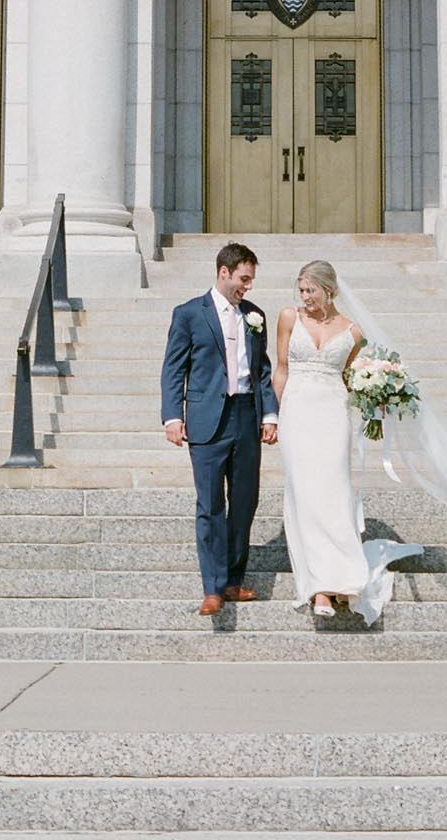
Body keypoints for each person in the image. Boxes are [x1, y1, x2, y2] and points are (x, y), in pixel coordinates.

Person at [274, 258, 418, 623]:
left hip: (333, 414)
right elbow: (282, 368)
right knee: (305, 493)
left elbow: (351, 376)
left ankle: (340, 576)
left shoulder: (353, 332)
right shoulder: (289, 317)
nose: (305, 297)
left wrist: (378, 390)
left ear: (330, 290)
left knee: (335, 491)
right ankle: (320, 585)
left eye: (312, 290)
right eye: (301, 290)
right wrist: (275, 415)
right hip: (297, 412)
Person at [160, 240, 279, 616]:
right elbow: (173, 369)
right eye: (244, 279)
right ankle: (211, 587)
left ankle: (232, 580)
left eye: (251, 280)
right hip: (207, 420)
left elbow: (262, 370)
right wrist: (172, 416)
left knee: (244, 503)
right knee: (210, 504)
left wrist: (269, 416)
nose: (248, 286)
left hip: (246, 415)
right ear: (224, 273)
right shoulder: (189, 314)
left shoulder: (255, 315)